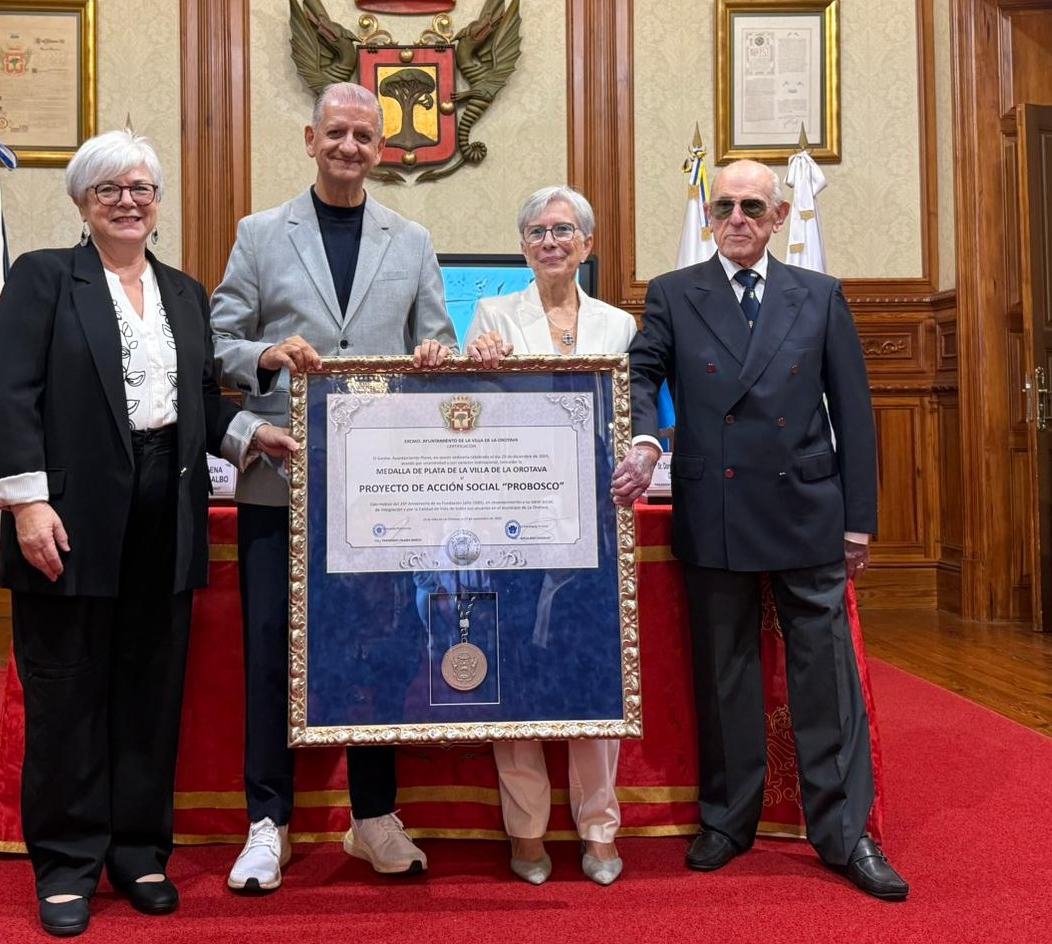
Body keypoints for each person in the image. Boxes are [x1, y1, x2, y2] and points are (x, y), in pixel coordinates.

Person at [0, 130, 296, 937]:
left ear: (159, 202)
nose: (128, 200)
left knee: (150, 694)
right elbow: (10, 396)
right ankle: (68, 860)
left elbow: (197, 403)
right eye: (110, 187)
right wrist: (27, 504)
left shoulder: (184, 292)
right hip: (68, 514)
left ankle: (138, 850)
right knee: (69, 694)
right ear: (83, 200)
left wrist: (251, 435)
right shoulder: (45, 277)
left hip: (168, 512)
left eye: (142, 187)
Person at [610, 159, 908, 901]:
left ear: (777, 219)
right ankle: (728, 819)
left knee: (823, 680)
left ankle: (843, 834)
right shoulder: (675, 295)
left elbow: (852, 410)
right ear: (709, 217)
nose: (736, 217)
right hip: (715, 505)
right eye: (723, 206)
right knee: (725, 673)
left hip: (806, 506)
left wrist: (859, 522)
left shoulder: (819, 294)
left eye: (751, 206)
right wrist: (646, 440)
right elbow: (640, 375)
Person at [210, 81, 456, 892]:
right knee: (271, 656)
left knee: (379, 653)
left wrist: (435, 360)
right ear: (309, 140)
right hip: (279, 479)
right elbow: (216, 340)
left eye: (364, 136)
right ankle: (267, 824)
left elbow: (438, 343)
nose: (350, 147)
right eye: (336, 133)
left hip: (382, 493)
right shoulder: (257, 233)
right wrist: (266, 357)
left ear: (380, 150)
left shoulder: (412, 239)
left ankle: (373, 818)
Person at [465, 186, 634, 886]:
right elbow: (466, 410)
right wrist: (473, 360)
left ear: (587, 244)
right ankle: (526, 831)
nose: (550, 241)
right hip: (514, 518)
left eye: (563, 230)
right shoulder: (491, 315)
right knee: (518, 677)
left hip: (593, 524)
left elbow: (627, 418)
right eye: (536, 231)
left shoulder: (620, 325)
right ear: (524, 246)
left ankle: (598, 825)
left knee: (592, 675)